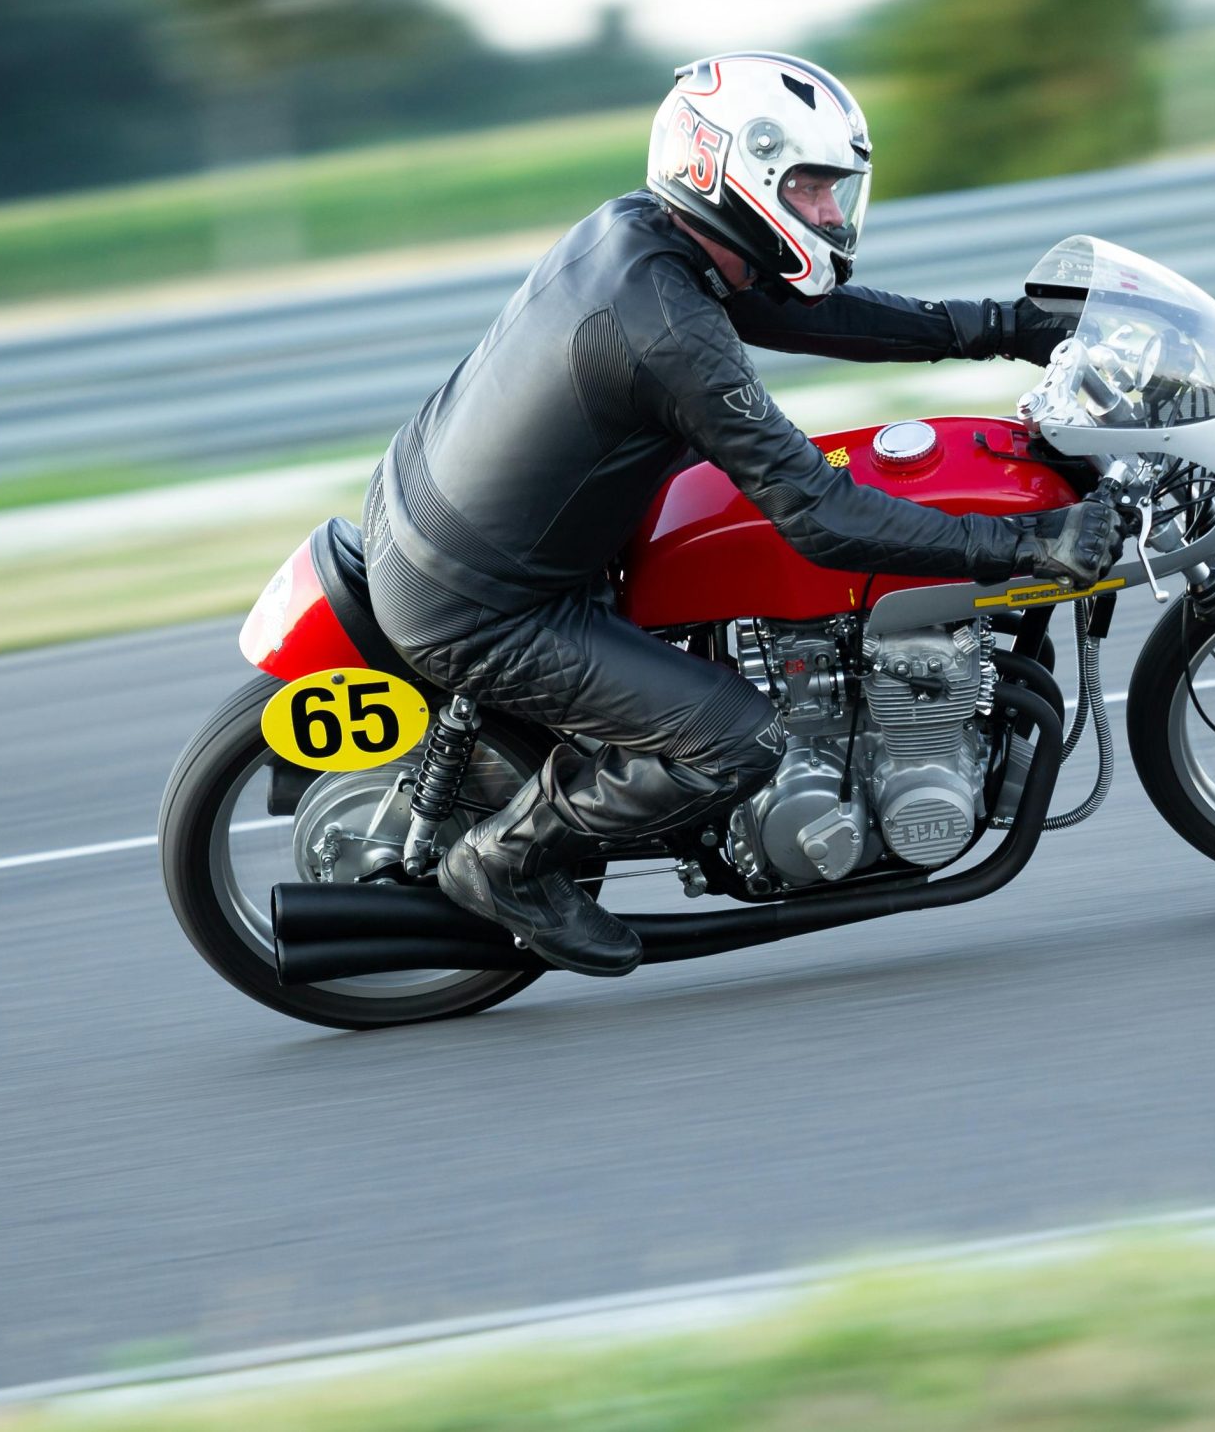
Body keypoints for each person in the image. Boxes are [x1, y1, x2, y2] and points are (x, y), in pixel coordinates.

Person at [364, 51, 1122, 976]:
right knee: (737, 737)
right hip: (488, 606)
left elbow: (805, 314)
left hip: (439, 520)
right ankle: (506, 862)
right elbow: (822, 516)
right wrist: (1025, 543)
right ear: (728, 171)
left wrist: (1002, 328)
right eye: (809, 188)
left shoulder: (646, 236)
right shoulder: (670, 328)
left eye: (835, 190)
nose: (832, 213)